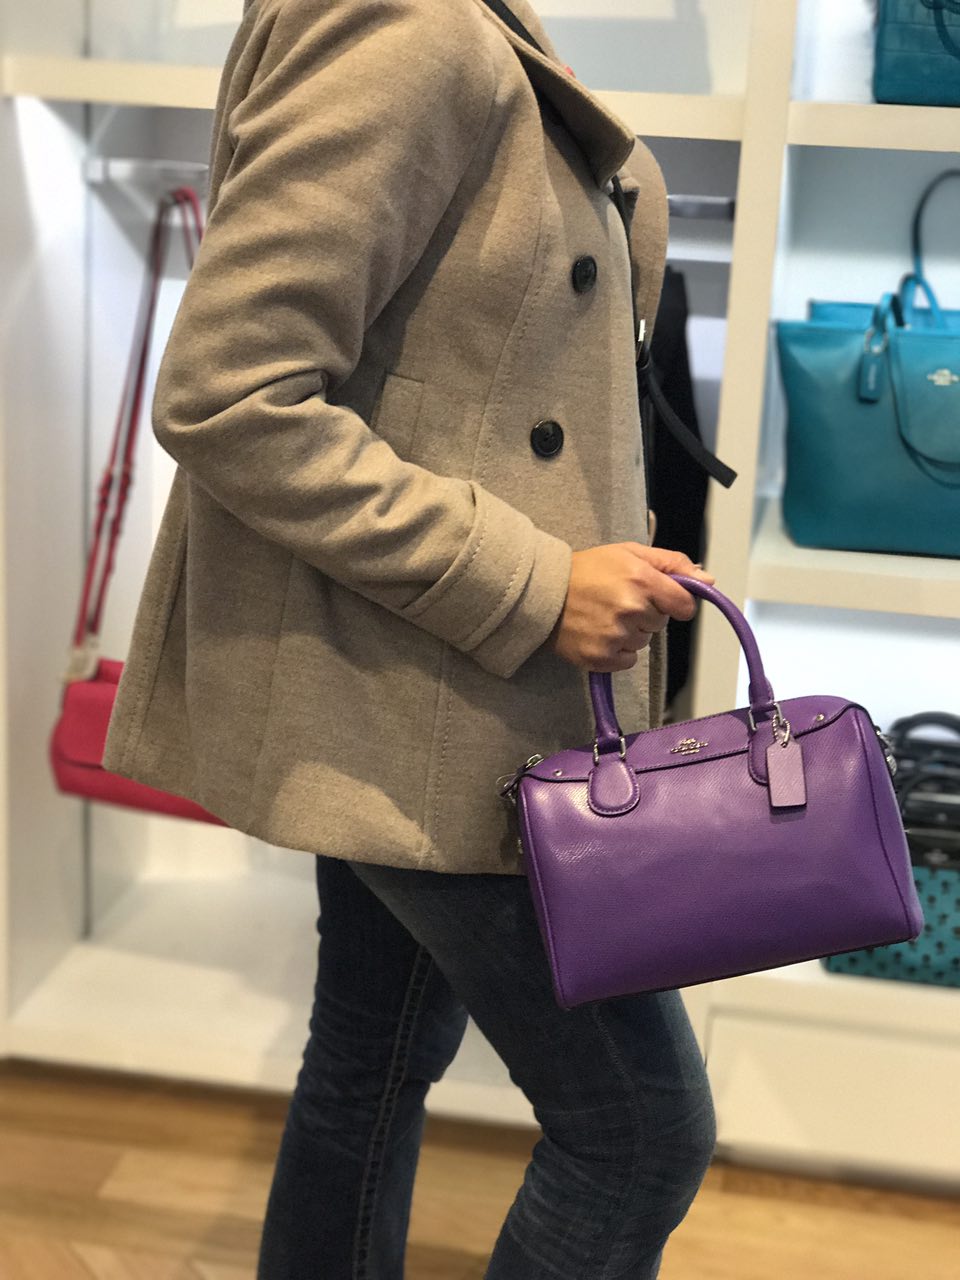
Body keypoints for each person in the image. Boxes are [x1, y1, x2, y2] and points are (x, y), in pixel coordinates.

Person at [101, 0, 719, 1274]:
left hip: (420, 678)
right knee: (639, 1129)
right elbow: (230, 390)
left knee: (372, 1057)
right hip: (446, 690)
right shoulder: (408, 23)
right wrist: (535, 584)